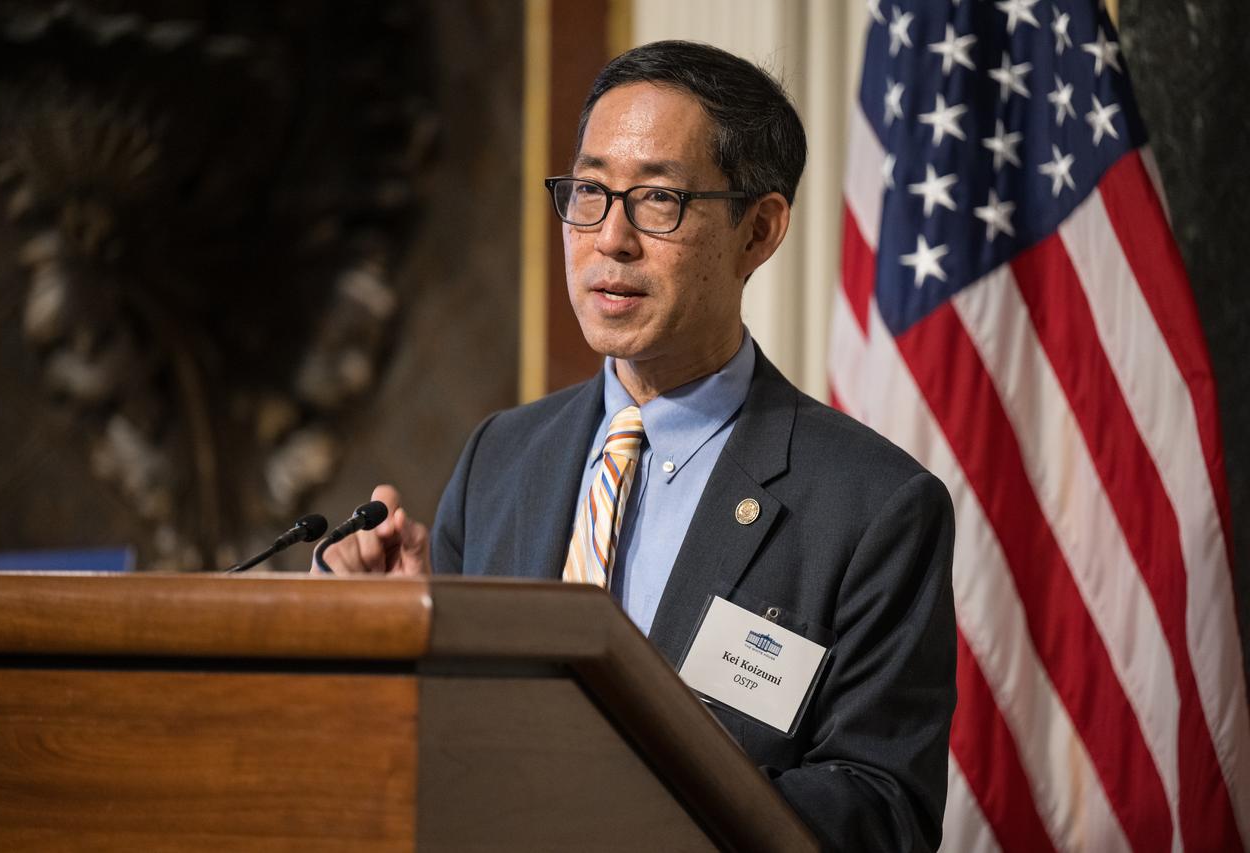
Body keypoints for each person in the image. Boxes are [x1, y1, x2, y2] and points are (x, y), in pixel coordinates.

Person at [320, 40, 956, 852]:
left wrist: (627, 798)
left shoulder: (873, 506)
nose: (609, 239)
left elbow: (881, 811)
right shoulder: (501, 458)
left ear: (758, 231)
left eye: (659, 200)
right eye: (589, 191)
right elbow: (437, 758)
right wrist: (404, 634)